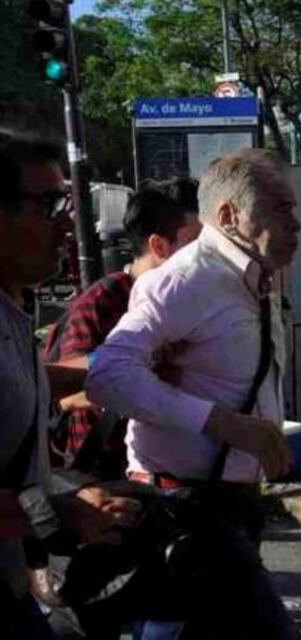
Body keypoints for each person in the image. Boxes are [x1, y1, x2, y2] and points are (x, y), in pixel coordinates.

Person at [86, 148, 301, 640]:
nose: (296, 223)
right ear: (228, 216)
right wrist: (224, 423)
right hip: (185, 506)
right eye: (280, 208)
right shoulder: (185, 280)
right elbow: (108, 374)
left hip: (233, 505)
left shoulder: (255, 278)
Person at [0, 129, 142, 639]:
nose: (67, 224)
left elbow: (21, 385)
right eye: (49, 206)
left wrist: (121, 375)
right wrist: (59, 510)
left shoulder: (12, 307)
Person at [44, 179, 202, 480]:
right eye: (196, 246)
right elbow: (68, 395)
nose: (207, 258)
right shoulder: (104, 301)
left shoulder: (191, 301)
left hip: (173, 470)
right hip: (105, 478)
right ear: (158, 246)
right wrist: (144, 374)